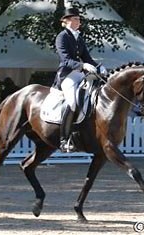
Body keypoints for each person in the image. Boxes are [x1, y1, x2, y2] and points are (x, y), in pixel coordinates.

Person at [53, 7, 107, 152]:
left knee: (93, 97)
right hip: (66, 75)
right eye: (76, 19)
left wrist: (99, 67)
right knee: (72, 102)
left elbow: (87, 58)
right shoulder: (62, 37)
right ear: (67, 21)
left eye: (79, 19)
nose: (79, 22)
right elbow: (65, 60)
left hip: (80, 74)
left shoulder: (78, 37)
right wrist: (83, 65)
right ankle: (64, 139)